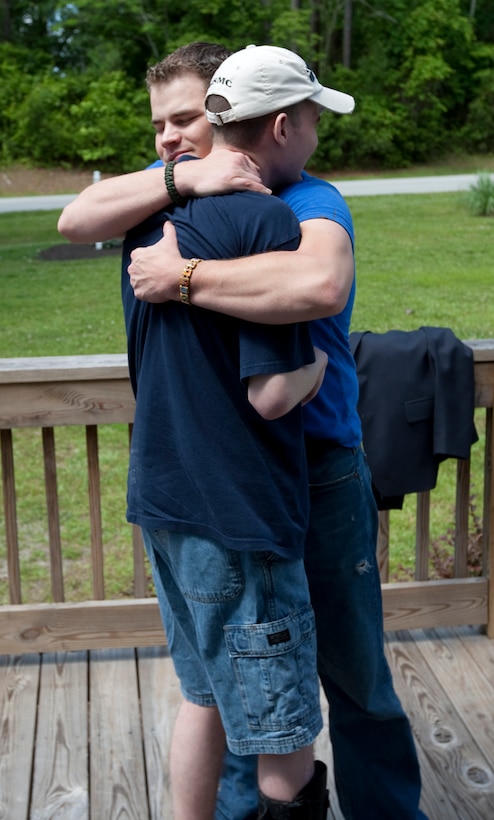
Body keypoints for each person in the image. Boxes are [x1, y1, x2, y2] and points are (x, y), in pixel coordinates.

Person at [59, 43, 427, 820]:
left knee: (339, 677)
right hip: (248, 488)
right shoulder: (193, 208)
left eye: (188, 117)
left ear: (226, 116)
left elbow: (320, 281)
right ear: (287, 123)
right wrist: (182, 182)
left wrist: (181, 279)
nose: (172, 136)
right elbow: (72, 218)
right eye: (160, 124)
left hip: (304, 469)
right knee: (264, 701)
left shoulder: (301, 203)